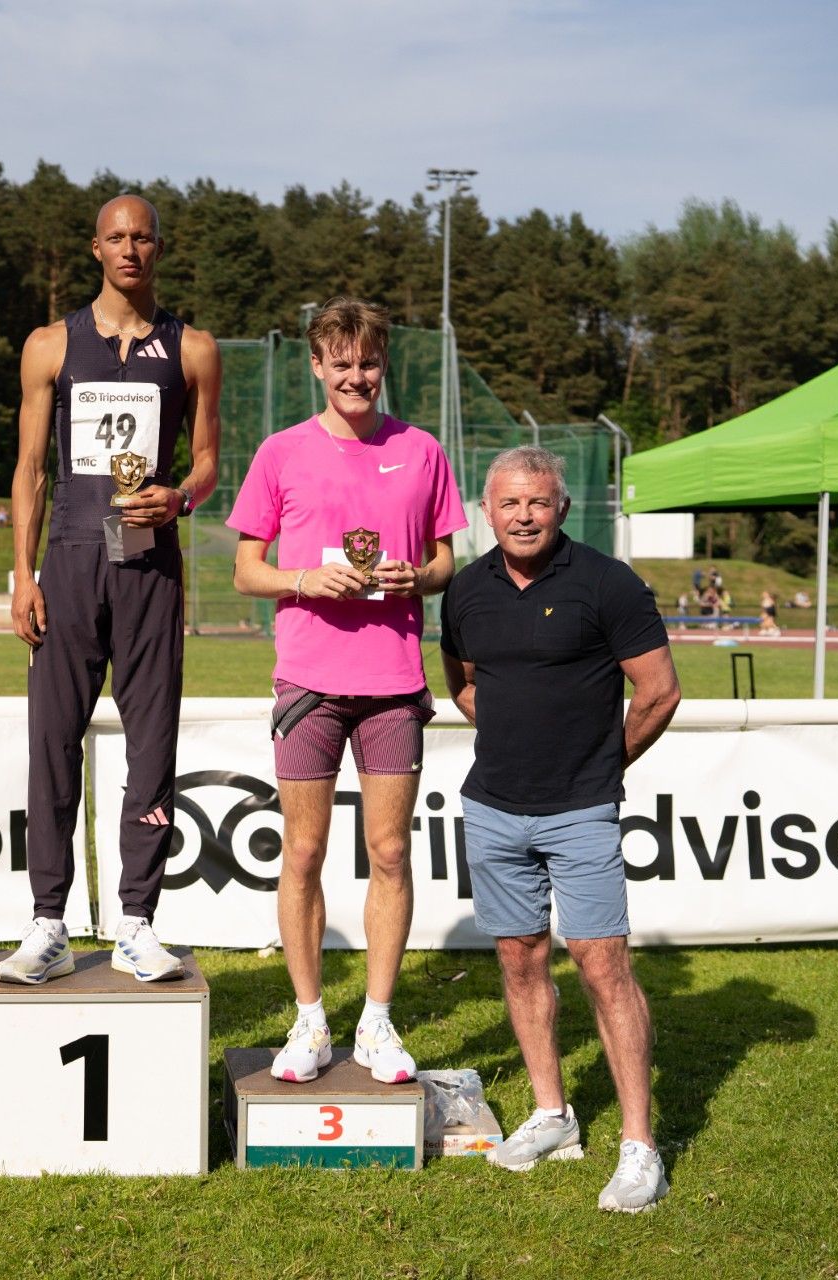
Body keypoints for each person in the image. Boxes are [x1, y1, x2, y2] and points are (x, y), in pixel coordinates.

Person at [227, 297, 467, 1085]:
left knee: (390, 851)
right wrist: (304, 577)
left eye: (368, 362)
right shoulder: (281, 452)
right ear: (317, 365)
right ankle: (309, 1022)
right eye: (341, 362)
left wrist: (416, 574)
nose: (356, 376)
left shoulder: (422, 450)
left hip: (394, 681)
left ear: (383, 364)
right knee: (302, 851)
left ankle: (376, 1020)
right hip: (308, 683)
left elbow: (443, 560)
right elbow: (246, 570)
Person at [438, 444, 682, 1213]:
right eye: (509, 503)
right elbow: (464, 686)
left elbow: (659, 692)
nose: (523, 516)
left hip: (581, 809)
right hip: (493, 807)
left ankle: (640, 1148)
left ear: (562, 509)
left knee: (603, 968)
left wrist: (597, 765)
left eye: (538, 502)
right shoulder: (467, 590)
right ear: (487, 511)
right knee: (519, 960)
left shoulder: (608, 583)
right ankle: (554, 1113)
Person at [0, 194, 222, 983]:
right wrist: (21, 576)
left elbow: (206, 462)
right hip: (68, 561)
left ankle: (136, 921)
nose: (130, 249)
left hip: (150, 565)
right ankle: (48, 922)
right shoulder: (50, 345)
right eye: (116, 237)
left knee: (152, 742)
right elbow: (29, 470)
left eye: (143, 237)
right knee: (52, 744)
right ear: (95, 248)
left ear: (160, 248)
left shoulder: (192, 348)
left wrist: (180, 499)